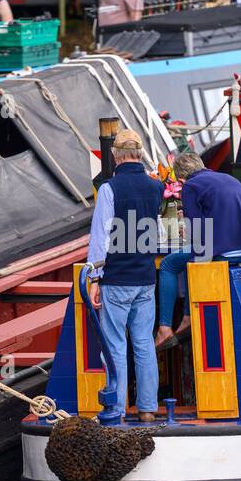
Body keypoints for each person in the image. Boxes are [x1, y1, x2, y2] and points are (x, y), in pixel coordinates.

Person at [85, 129, 164, 423]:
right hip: (145, 277)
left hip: (117, 278)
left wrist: (94, 278)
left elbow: (101, 236)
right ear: (140, 154)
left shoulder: (109, 189)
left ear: (115, 156)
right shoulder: (155, 188)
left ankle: (116, 410)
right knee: (144, 343)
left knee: (115, 345)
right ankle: (147, 409)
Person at [153, 152, 241, 349]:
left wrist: (183, 227)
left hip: (223, 251)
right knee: (192, 258)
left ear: (180, 179)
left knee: (168, 264)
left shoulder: (191, 186)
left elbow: (195, 234)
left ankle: (166, 328)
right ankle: (187, 317)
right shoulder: (230, 178)